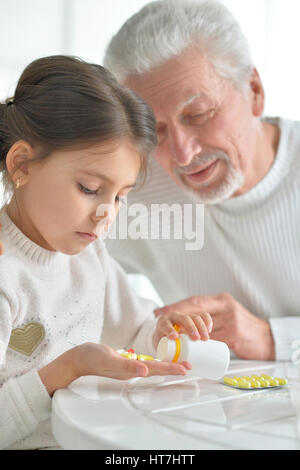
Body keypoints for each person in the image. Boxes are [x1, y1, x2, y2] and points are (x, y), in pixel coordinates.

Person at [0, 55, 213, 450]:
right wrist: (63, 372)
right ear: (22, 164)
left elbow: (131, 331)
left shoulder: (89, 257)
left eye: (120, 197)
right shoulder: (6, 274)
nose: (105, 214)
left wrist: (162, 334)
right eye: (89, 188)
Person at [103, 0, 300, 362]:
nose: (182, 155)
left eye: (198, 114)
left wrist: (275, 338)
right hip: (198, 409)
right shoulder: (133, 188)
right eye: (156, 131)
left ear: (254, 90)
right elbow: (38, 250)